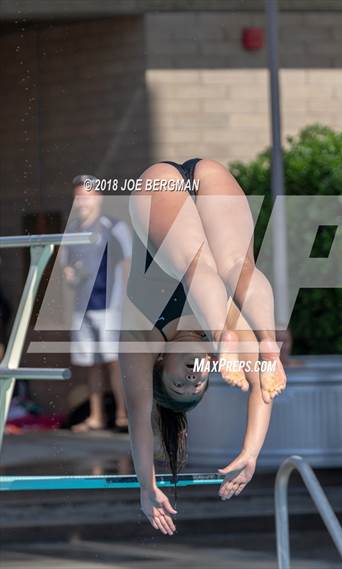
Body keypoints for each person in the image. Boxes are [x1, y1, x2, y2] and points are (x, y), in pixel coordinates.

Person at [120, 158, 287, 536]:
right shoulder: (219, 342)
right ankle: (267, 341)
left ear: (160, 364)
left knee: (196, 265)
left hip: (157, 186)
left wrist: (146, 486)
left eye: (180, 383)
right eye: (199, 384)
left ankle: (228, 337)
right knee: (238, 268)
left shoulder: (143, 338)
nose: (195, 376)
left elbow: (139, 416)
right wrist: (251, 451)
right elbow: (265, 385)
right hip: (207, 173)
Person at [61, 175, 132, 432]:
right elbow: (66, 267)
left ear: (98, 197)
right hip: (83, 307)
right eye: (78, 198)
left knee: (115, 361)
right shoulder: (73, 231)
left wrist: (128, 304)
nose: (82, 203)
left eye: (87, 197)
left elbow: (128, 264)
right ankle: (96, 416)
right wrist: (70, 274)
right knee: (90, 364)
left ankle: (124, 416)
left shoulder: (114, 227)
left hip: (110, 305)